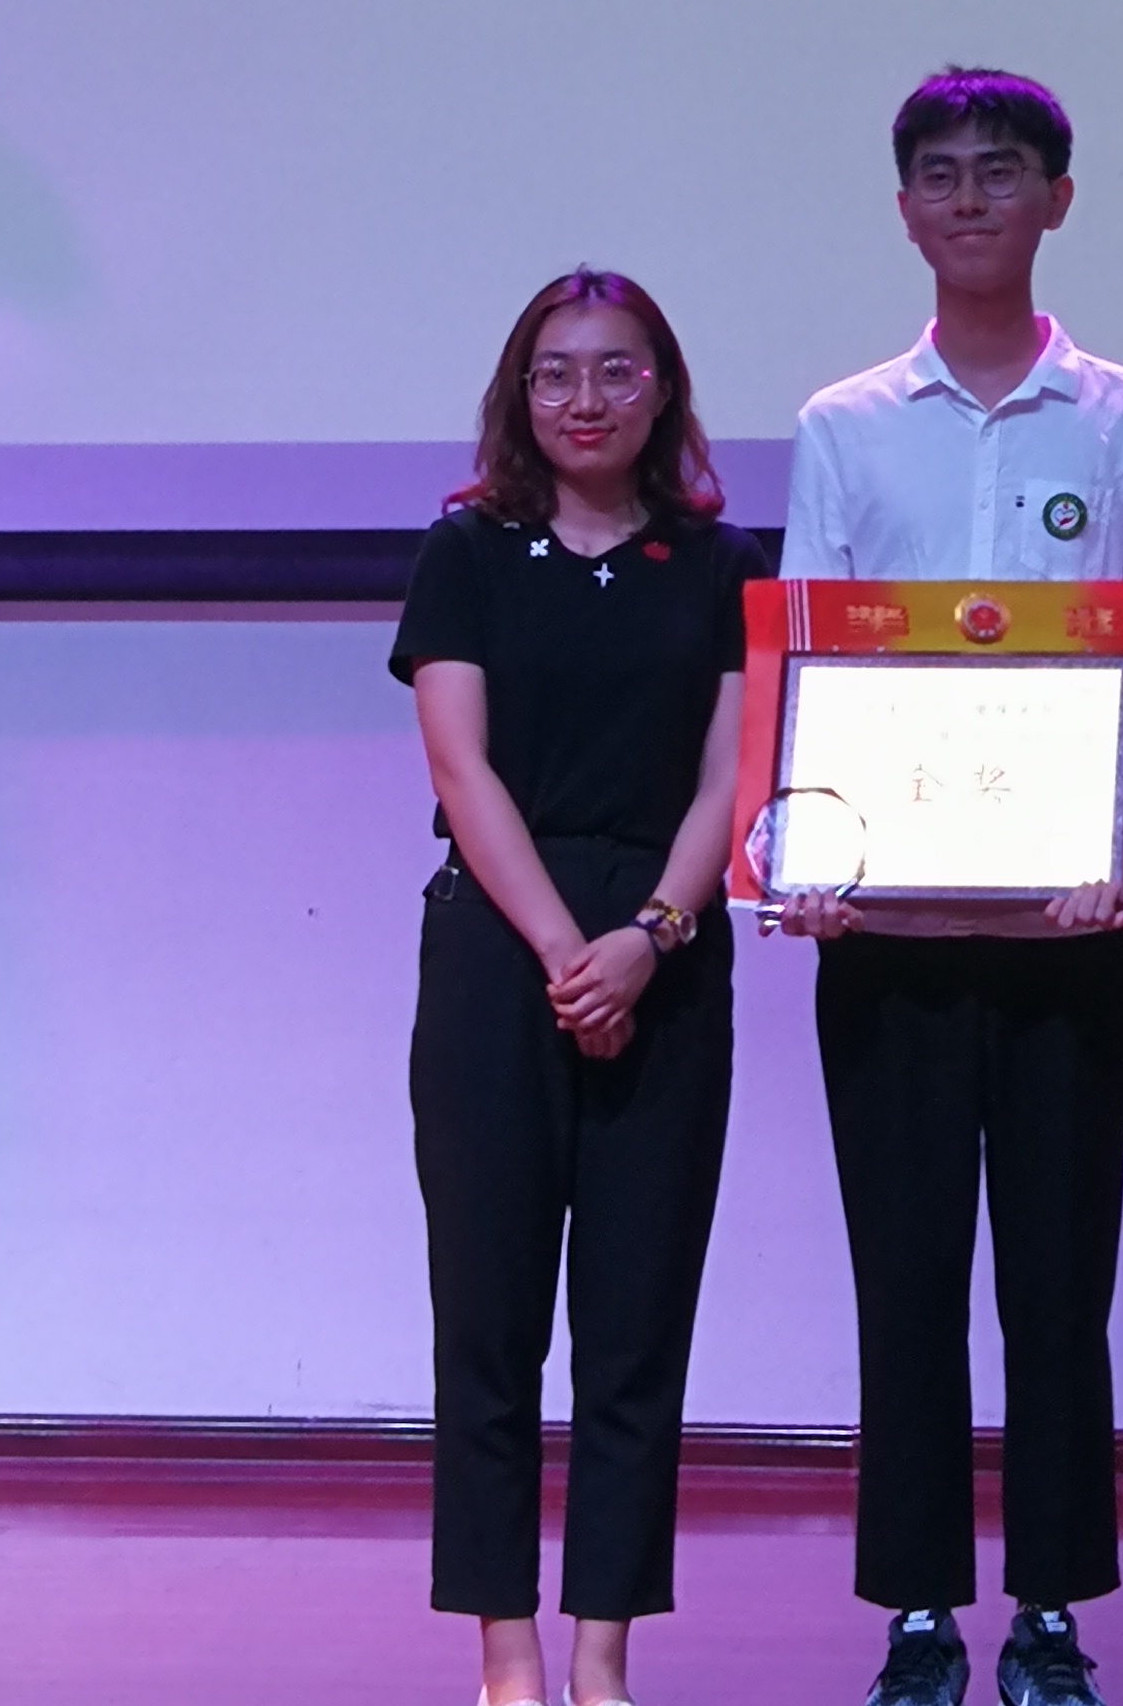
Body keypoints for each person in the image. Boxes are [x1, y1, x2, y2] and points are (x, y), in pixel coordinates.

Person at [776, 70, 1123, 1706]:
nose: (970, 199)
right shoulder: (844, 426)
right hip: (885, 939)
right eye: (942, 175)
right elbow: (809, 657)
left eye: (1001, 171)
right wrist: (809, 864)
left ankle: (1047, 1612)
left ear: (1056, 200)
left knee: (1057, 1287)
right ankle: (913, 1614)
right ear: (905, 212)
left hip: (1068, 938)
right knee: (905, 1284)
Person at [397, 268, 766, 1706]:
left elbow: (732, 776)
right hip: (503, 957)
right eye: (555, 373)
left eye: (617, 370)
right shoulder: (468, 551)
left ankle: (603, 1657)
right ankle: (508, 1658)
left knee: (635, 1331)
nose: (586, 398)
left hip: (666, 953)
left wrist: (652, 936)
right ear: (520, 394)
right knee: (488, 1326)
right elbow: (460, 767)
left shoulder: (722, 564)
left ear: (661, 391)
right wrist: (569, 951)